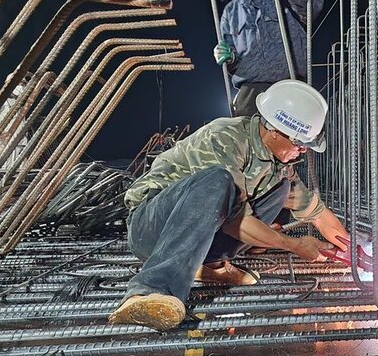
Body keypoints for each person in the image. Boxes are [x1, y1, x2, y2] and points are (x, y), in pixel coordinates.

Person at [108, 80, 349, 331]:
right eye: (299, 144)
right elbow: (236, 222)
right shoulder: (226, 138)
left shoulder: (278, 164)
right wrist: (295, 245)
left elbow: (316, 213)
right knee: (218, 181)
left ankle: (211, 265)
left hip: (194, 233)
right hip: (152, 228)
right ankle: (147, 291)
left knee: (281, 190)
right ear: (275, 130)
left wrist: (350, 250)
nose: (301, 152)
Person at [213, 0, 324, 116]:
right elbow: (232, 62)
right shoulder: (231, 12)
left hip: (289, 86)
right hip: (250, 94)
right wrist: (228, 57)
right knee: (246, 141)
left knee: (293, 143)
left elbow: (313, 6)